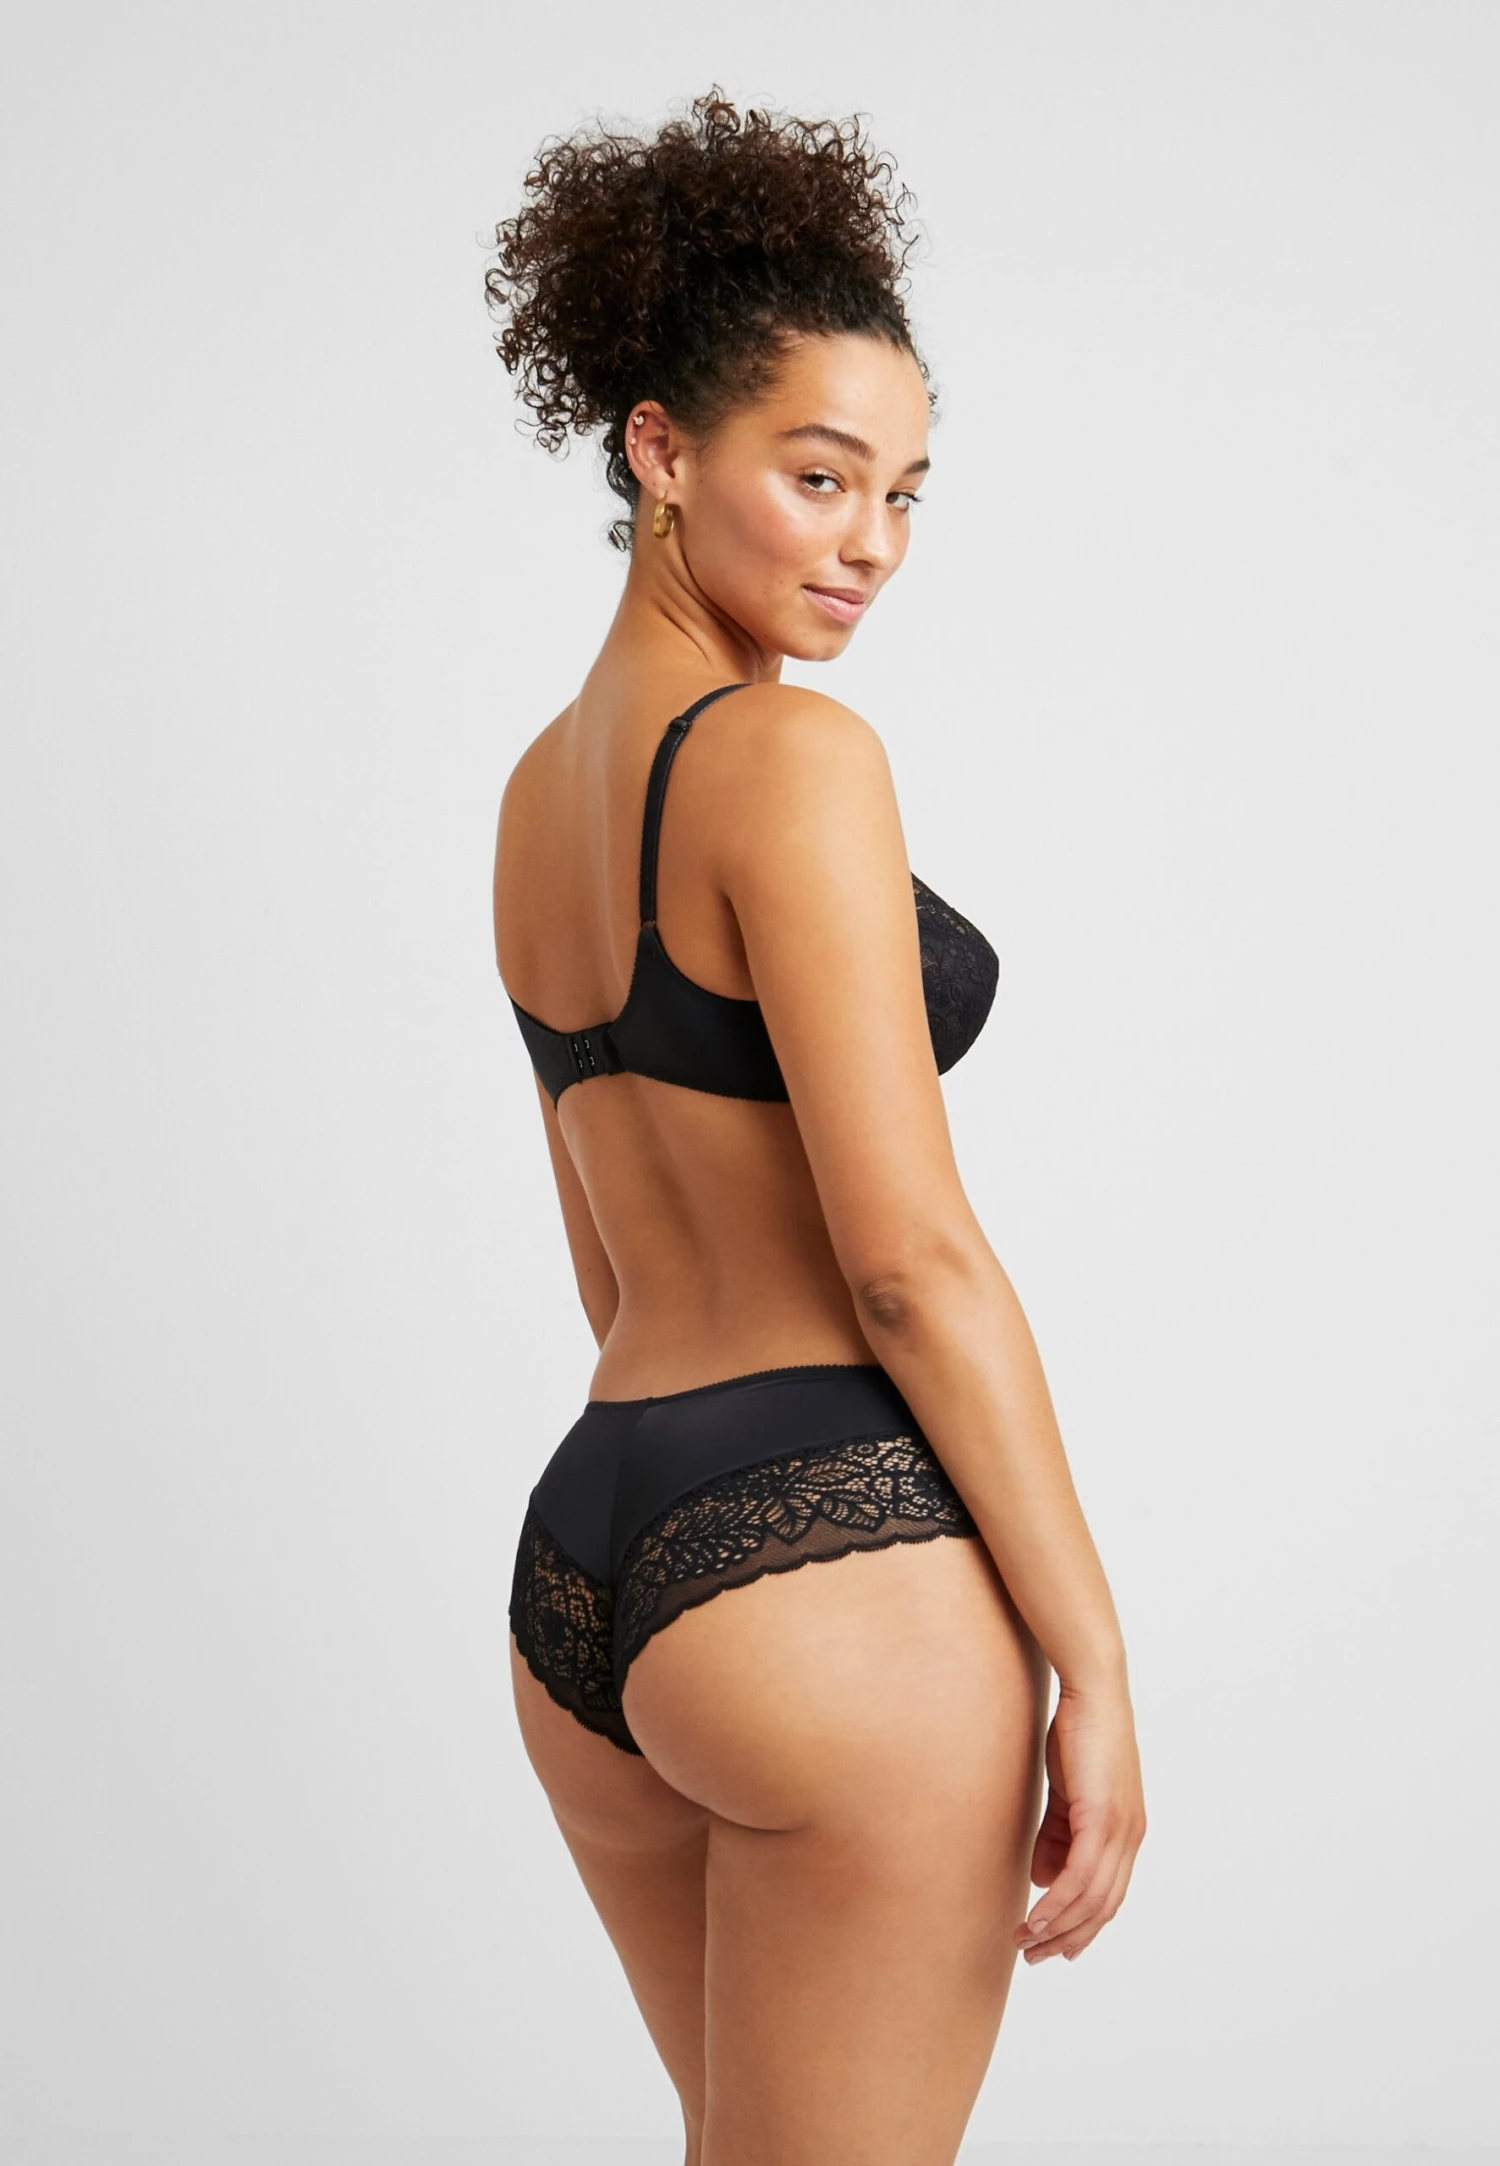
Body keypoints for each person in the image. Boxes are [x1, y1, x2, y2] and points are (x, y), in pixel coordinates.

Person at [485, 87, 1146, 2166]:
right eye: (820, 474)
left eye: (906, 492)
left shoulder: (535, 796)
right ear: (659, 450)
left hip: (592, 1567)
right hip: (828, 1569)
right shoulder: (792, 759)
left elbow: (602, 1257)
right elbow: (909, 1262)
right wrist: (1094, 1656)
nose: (871, 542)